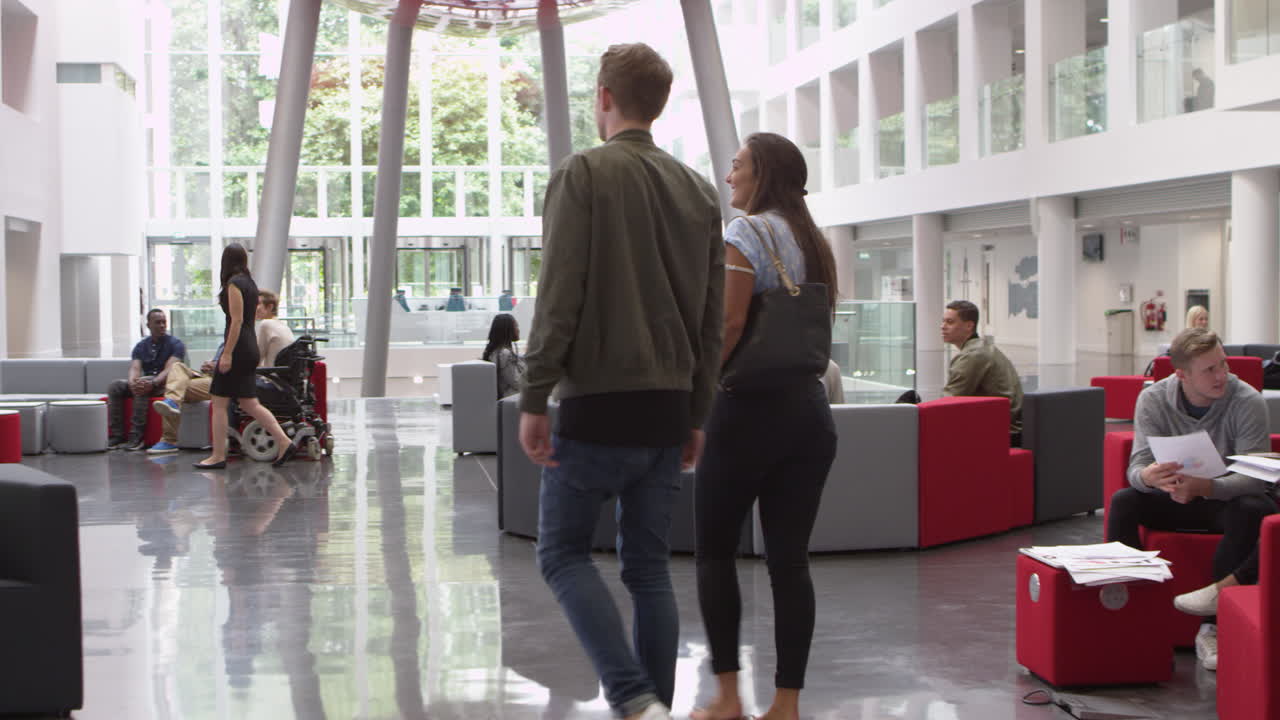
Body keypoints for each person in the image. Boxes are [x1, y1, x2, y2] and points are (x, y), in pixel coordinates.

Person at [518, 43, 723, 720]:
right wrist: (697, 412)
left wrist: (535, 394)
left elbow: (560, 294)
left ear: (604, 96)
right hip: (668, 409)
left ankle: (634, 697)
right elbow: (710, 319)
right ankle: (654, 705)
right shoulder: (699, 191)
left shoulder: (583, 173)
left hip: (598, 405)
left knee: (562, 554)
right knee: (649, 569)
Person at [692, 132, 838, 720]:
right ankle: (786, 703)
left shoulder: (746, 232)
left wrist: (699, 388)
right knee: (790, 563)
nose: (729, 177)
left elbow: (729, 323)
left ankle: (729, 697)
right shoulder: (812, 239)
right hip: (808, 414)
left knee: (714, 555)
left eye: (737, 166)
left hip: (745, 411)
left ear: (764, 174)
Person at [1107, 328, 1276, 671]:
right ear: (1181, 374)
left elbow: (1257, 479)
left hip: (1225, 500)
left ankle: (1213, 626)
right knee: (1124, 501)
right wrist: (1148, 477)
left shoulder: (1247, 401)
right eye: (1210, 370)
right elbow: (1136, 467)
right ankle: (1129, 610)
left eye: (1223, 364)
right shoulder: (1153, 399)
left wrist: (1207, 488)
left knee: (1253, 509)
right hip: (1174, 496)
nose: (1221, 375)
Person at [194, 243, 297, 470]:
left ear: (226, 262)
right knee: (249, 402)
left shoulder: (234, 284)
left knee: (219, 402)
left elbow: (237, 321)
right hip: (249, 347)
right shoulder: (250, 284)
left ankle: (218, 455)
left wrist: (227, 353)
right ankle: (284, 441)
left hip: (239, 349)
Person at [940, 300, 1024, 442]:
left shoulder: (973, 355)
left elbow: (947, 403)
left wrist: (915, 410)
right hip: (1009, 427)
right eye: (943, 321)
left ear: (969, 326)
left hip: (1005, 432)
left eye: (950, 322)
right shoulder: (981, 348)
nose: (943, 326)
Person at [107, 308, 187, 450]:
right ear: (148, 325)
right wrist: (133, 382)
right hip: (147, 382)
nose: (162, 325)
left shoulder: (176, 344)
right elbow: (135, 368)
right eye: (158, 322)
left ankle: (136, 437)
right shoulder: (141, 346)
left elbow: (170, 369)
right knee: (115, 386)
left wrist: (152, 383)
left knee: (144, 385)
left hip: (164, 384)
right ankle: (116, 436)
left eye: (164, 322)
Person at [148, 348, 219, 455]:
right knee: (178, 366)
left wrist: (216, 366)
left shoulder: (237, 343)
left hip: (221, 381)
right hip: (208, 377)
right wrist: (207, 366)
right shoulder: (223, 344)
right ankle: (172, 403)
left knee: (176, 387)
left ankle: (168, 440)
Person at [482, 313, 525, 399]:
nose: (518, 330)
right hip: (512, 399)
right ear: (507, 330)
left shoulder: (497, 352)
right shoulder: (504, 354)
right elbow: (518, 383)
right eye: (516, 326)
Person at [255, 289, 295, 367]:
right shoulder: (283, 325)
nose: (254, 308)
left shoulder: (266, 324)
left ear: (270, 307)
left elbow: (257, 357)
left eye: (258, 304)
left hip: (272, 373)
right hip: (283, 372)